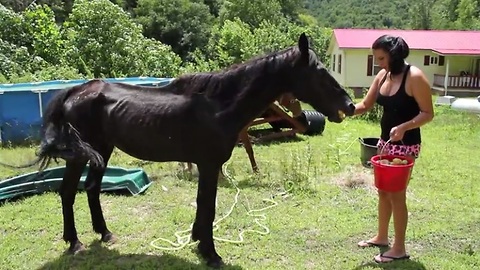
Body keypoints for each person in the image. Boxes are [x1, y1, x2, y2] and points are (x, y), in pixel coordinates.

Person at [353, 34, 434, 263]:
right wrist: (344, 110)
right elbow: (366, 105)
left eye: (381, 58)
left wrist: (405, 127)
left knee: (397, 195)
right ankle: (381, 237)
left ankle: (399, 248)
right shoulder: (383, 75)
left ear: (395, 56)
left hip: (406, 146)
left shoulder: (414, 77)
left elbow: (428, 113)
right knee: (382, 191)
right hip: (385, 144)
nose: (378, 63)